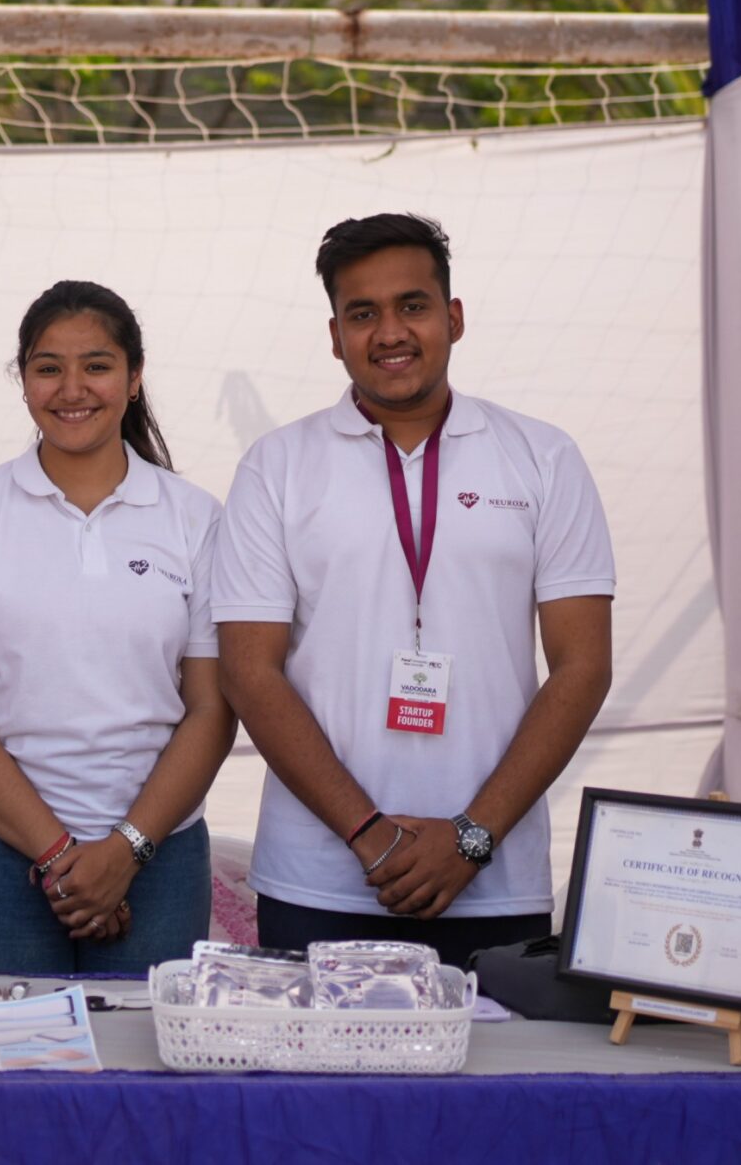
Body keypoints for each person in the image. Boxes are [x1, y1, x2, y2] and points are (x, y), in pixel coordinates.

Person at [209, 213, 615, 968]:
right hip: (320, 877)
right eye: (363, 313)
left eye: (413, 306)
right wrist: (368, 833)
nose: (390, 332)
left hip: (494, 879)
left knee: (494, 1053)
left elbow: (583, 665)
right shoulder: (277, 466)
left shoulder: (543, 458)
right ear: (336, 336)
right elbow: (247, 671)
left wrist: (472, 836)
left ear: (453, 318)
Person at [0, 281, 235, 973]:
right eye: (48, 367)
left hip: (158, 853)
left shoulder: (196, 518)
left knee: (142, 1044)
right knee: (9, 1045)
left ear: (135, 377)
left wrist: (126, 850)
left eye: (97, 365)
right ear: (23, 380)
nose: (72, 388)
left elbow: (212, 708)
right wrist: (60, 855)